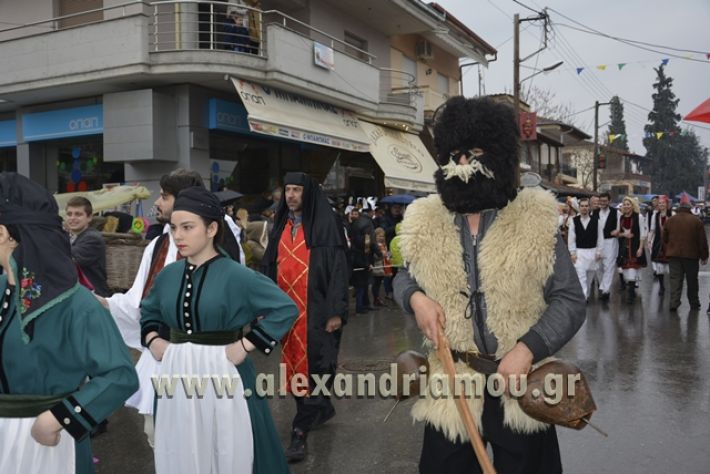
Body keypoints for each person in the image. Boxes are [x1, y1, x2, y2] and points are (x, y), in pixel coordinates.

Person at [393, 96, 585, 473]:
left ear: (499, 156)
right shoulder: (425, 219)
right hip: (453, 381)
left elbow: (570, 300)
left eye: (476, 153)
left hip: (521, 385)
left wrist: (527, 350)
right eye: (456, 154)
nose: (464, 165)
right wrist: (415, 299)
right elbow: (403, 276)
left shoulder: (535, 219)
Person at [140, 187, 297, 473]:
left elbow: (285, 309)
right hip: (175, 374)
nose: (178, 236)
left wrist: (246, 345)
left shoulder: (238, 275)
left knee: (233, 449)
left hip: (226, 374)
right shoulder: (168, 275)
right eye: (174, 228)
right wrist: (153, 340)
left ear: (212, 228)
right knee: (180, 448)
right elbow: (148, 310)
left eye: (188, 228)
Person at [0, 173, 138, 474]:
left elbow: (119, 375)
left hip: (45, 445)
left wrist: (60, 417)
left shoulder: (77, 304)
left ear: (4, 234)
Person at [96, 169, 244, 446]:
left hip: (207, 360)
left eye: (164, 196)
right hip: (164, 357)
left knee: (208, 439)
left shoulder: (220, 241)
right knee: (158, 435)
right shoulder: (158, 244)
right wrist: (105, 304)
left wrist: (241, 345)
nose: (158, 203)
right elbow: (139, 301)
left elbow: (239, 299)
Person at [262, 172, 349, 463]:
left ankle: (299, 432)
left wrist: (336, 311)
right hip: (288, 314)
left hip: (317, 312)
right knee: (294, 368)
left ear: (307, 193)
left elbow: (338, 270)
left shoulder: (327, 223)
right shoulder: (280, 224)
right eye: (287, 190)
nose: (291, 195)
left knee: (318, 367)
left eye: (297, 190)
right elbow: (268, 265)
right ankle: (318, 408)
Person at [662, 193, 708, 311]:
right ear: (690, 207)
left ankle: (674, 303)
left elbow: (664, 239)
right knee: (692, 280)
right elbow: (702, 241)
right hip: (691, 256)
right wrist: (704, 256)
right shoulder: (696, 221)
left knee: (675, 280)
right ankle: (694, 303)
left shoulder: (670, 221)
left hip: (674, 255)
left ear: (679, 207)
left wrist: (667, 250)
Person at [65, 196, 110, 296]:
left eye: (78, 214)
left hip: (93, 297)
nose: (72, 218)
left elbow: (65, 258)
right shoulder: (70, 236)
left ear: (89, 217)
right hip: (77, 294)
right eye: (69, 214)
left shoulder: (93, 238)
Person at [611, 196, 647, 304]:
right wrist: (621, 234)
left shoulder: (638, 217)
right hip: (624, 248)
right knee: (626, 271)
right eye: (625, 204)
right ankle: (630, 291)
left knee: (632, 271)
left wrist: (641, 248)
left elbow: (642, 234)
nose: (626, 206)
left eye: (628, 204)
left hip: (635, 246)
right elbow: (618, 233)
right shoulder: (621, 218)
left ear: (632, 205)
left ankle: (631, 295)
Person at [567, 197, 600, 301]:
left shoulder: (596, 221)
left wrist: (599, 251)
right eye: (582, 206)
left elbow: (600, 237)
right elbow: (571, 238)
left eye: (586, 206)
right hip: (579, 252)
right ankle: (583, 298)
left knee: (589, 277)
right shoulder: (574, 221)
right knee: (581, 277)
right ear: (579, 207)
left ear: (589, 208)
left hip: (592, 252)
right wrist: (572, 253)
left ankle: (587, 293)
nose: (584, 208)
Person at [592, 192, 619, 301]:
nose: (602, 203)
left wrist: (617, 231)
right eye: (601, 201)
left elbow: (619, 227)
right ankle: (603, 286)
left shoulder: (615, 212)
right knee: (598, 266)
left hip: (610, 242)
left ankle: (605, 290)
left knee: (609, 266)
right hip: (598, 242)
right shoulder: (594, 213)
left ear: (609, 201)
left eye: (605, 201)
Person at [649, 195, 673, 295]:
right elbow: (652, 229)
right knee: (659, 266)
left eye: (663, 203)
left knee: (670, 267)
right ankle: (662, 286)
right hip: (658, 242)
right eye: (659, 203)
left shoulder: (672, 214)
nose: (661, 205)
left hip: (670, 242)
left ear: (667, 204)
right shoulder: (655, 215)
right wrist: (649, 240)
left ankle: (673, 287)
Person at [372, 227, 393, 306]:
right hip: (377, 267)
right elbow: (374, 256)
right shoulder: (375, 245)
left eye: (382, 236)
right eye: (379, 236)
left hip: (383, 267)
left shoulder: (384, 245)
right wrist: (382, 255)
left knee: (378, 284)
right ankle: (376, 299)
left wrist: (388, 255)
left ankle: (377, 298)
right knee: (376, 284)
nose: (381, 238)